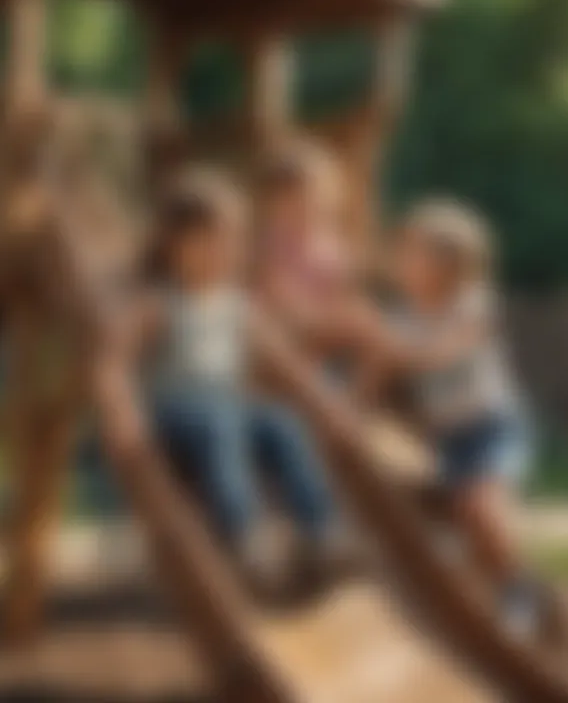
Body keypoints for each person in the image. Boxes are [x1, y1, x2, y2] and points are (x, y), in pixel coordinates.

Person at [129, 168, 349, 590]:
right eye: (210, 240)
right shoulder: (158, 303)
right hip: (176, 412)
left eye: (232, 241)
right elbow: (111, 363)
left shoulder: (237, 306)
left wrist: (326, 406)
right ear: (175, 245)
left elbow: (286, 365)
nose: (224, 252)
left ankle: (320, 530)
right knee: (221, 425)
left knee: (282, 424)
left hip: (227, 406)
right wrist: (123, 416)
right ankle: (245, 535)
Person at [361, 198, 540, 638]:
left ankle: (518, 591)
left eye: (412, 253)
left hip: (491, 427)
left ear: (448, 264)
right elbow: (374, 380)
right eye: (400, 252)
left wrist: (394, 354)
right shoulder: (398, 319)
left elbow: (445, 351)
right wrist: (356, 406)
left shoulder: (473, 305)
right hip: (445, 438)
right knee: (453, 524)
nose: (399, 262)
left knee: (479, 506)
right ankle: (483, 600)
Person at [254, 138, 375, 377]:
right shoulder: (273, 242)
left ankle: (359, 395)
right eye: (298, 200)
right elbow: (275, 292)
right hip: (285, 325)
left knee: (370, 329)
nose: (310, 207)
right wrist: (318, 318)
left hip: (323, 328)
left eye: (320, 196)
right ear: (276, 204)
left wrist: (346, 313)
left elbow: (343, 293)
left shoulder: (332, 244)